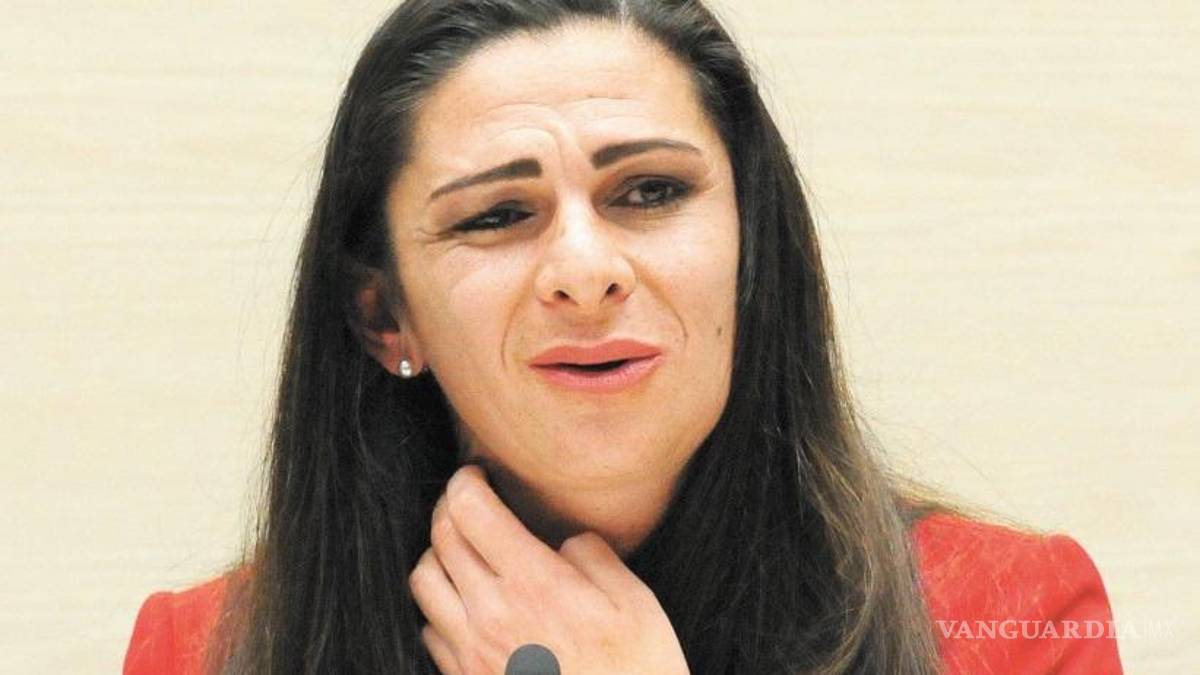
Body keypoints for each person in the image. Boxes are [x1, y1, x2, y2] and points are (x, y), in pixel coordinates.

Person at [122, 1, 1124, 673]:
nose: (584, 267)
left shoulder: (1015, 624)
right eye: (497, 216)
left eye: (649, 192)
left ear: (753, 251)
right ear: (386, 317)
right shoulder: (200, 651)